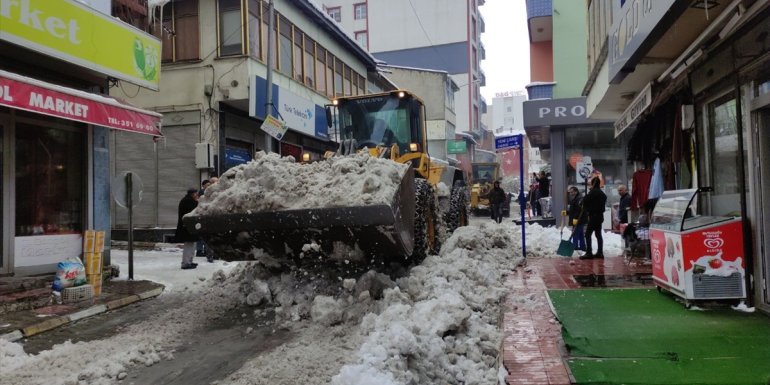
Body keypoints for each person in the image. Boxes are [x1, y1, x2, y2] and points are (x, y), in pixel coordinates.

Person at [580, 176, 607, 259]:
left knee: (587, 234)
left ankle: (589, 253)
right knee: (598, 234)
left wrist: (589, 192)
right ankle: (600, 252)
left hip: (593, 216)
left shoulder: (593, 192)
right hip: (600, 216)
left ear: (593, 183)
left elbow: (584, 200)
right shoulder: (602, 193)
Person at [175, 188, 199, 269]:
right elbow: (195, 209)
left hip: (189, 227)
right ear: (192, 194)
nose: (197, 195)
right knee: (189, 245)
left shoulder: (187, 200)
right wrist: (197, 201)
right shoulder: (188, 201)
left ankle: (189, 261)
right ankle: (186, 263)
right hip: (187, 227)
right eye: (196, 194)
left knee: (192, 245)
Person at [567, 186, 587, 252]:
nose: (570, 193)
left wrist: (575, 218)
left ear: (576, 191)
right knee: (580, 234)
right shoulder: (576, 198)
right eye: (570, 192)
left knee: (575, 233)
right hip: (578, 219)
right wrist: (567, 212)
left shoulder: (579, 199)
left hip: (579, 220)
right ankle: (583, 247)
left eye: (572, 192)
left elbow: (579, 210)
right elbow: (573, 210)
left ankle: (574, 247)